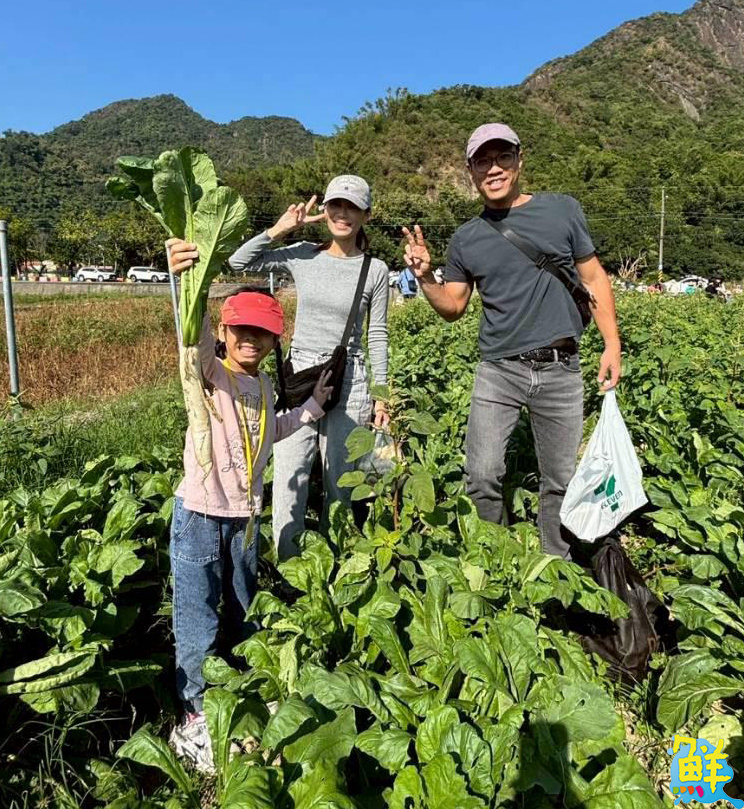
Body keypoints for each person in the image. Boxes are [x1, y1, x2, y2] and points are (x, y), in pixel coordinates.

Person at [402, 123, 622, 560]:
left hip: (561, 366)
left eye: (503, 157)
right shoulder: (466, 238)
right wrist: (425, 277)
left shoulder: (562, 211)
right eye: (483, 160)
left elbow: (593, 276)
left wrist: (611, 343)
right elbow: (453, 307)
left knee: (559, 478)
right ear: (470, 171)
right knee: (482, 474)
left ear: (520, 161)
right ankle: (496, 559)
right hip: (498, 369)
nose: (494, 168)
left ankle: (552, 570)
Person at [157, 264, 333, 771]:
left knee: (240, 608)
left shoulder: (263, 387)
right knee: (197, 618)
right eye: (241, 330)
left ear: (274, 340)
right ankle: (194, 718)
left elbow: (270, 431)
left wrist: (313, 407)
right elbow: (190, 340)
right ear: (225, 333)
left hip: (245, 520)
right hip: (200, 516)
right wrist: (184, 280)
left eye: (262, 332)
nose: (251, 340)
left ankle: (233, 699)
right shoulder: (211, 375)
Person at [227, 175, 390, 560]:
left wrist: (383, 398)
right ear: (325, 210)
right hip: (300, 377)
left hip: (350, 381)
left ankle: (335, 573)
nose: (342, 213)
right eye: (336, 204)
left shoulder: (376, 269)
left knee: (340, 484)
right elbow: (237, 263)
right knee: (288, 480)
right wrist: (281, 229)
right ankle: (290, 571)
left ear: (366, 214)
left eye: (352, 207)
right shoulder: (303, 254)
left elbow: (378, 335)